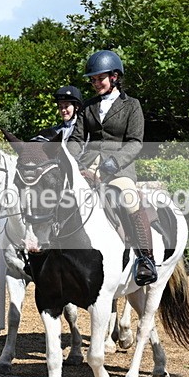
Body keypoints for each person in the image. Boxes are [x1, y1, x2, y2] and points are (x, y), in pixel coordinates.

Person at [67, 49, 157, 286]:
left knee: (129, 199)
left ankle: (146, 260)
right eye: (93, 80)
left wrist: (114, 162)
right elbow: (77, 139)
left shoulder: (132, 106)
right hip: (88, 167)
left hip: (118, 169)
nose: (96, 83)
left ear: (115, 77)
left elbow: (135, 142)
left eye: (100, 78)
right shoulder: (87, 106)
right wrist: (74, 160)